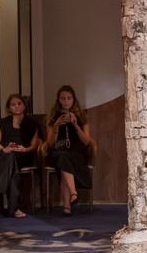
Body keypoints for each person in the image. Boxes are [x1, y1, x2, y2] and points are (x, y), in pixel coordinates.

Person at [45, 85, 92, 216]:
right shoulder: (53, 117)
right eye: (63, 98)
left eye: (69, 98)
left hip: (77, 153)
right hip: (57, 152)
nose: (66, 101)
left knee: (64, 162)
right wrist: (56, 126)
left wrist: (76, 125)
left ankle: (67, 206)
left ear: (73, 99)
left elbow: (86, 142)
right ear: (58, 100)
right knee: (62, 157)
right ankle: (73, 193)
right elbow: (50, 143)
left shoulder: (82, 117)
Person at [0, 94, 39, 217]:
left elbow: (34, 146)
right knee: (10, 160)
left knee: (11, 161)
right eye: (13, 104)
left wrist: (24, 149)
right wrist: (5, 150)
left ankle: (0, 189)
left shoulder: (32, 124)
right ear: (9, 108)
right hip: (5, 154)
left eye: (19, 103)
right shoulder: (2, 123)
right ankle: (14, 208)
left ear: (24, 106)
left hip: (23, 155)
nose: (16, 106)